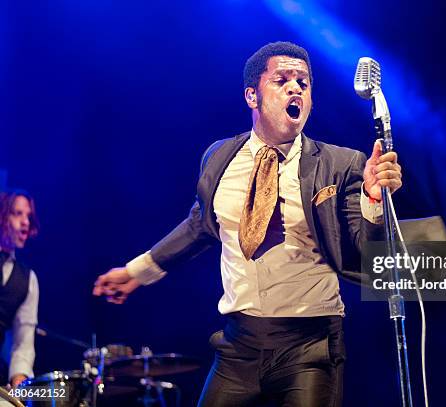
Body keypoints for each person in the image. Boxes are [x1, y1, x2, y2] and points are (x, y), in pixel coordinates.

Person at [93, 41, 402, 406]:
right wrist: (138, 271)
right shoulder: (219, 157)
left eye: (303, 83)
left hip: (310, 344)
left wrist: (371, 196)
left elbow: (366, 252)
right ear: (252, 96)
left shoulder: (340, 163)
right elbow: (200, 225)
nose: (295, 89)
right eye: (282, 80)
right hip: (239, 344)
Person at [0, 190, 39, 388]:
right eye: (18, 214)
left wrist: (19, 381)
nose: (26, 222)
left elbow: (23, 344)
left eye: (29, 217)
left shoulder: (28, 280)